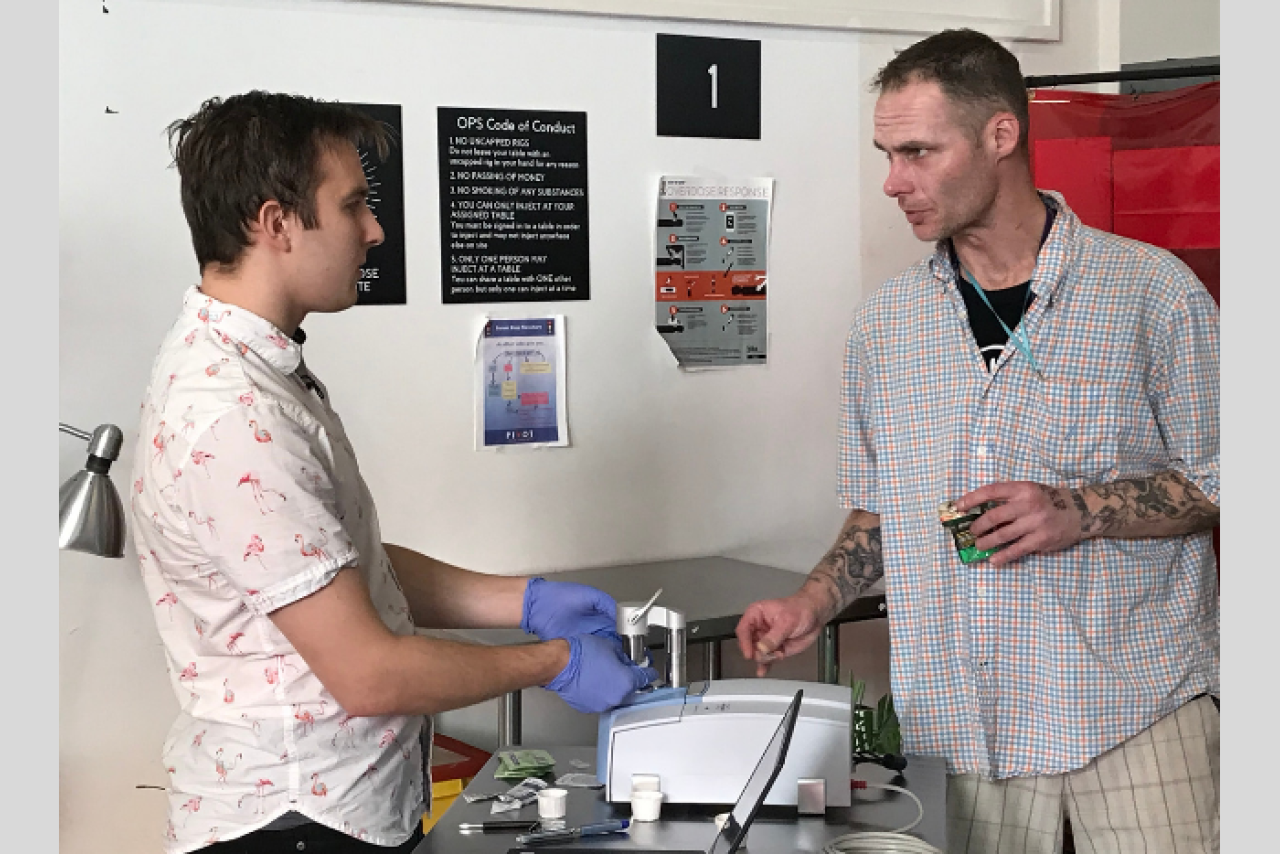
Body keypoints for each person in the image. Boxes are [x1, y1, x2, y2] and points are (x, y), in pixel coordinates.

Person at [131, 91, 656, 854]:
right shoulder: (235, 414)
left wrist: (524, 599)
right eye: (354, 206)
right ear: (276, 223)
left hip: (334, 807)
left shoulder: (260, 372)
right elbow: (368, 673)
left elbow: (338, 572)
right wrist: (553, 662)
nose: (374, 231)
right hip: (291, 821)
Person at [735, 29, 1219, 853]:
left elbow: (1228, 477)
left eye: (919, 151)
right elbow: (880, 514)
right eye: (888, 154)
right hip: (963, 732)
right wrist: (812, 600)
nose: (894, 182)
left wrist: (1080, 509)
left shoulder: (1153, 293)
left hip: (1136, 710)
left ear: (1002, 135)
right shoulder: (884, 328)